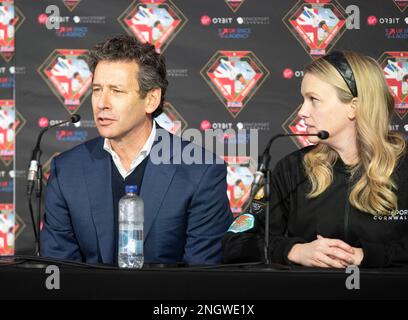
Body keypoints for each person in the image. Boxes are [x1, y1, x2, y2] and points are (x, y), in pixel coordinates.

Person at [40, 34, 233, 265]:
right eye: (97, 89)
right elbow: (60, 270)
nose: (102, 103)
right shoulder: (67, 170)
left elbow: (202, 276)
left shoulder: (200, 171)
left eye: (117, 91)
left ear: (151, 100)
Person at [223, 51, 408, 268]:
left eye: (314, 100)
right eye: (303, 99)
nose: (302, 111)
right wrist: (294, 251)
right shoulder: (292, 169)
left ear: (354, 107)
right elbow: (236, 241)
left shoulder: (403, 166)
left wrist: (367, 256)